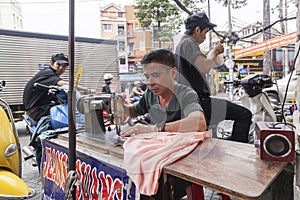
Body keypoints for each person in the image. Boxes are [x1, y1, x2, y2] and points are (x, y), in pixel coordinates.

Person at [121, 48, 207, 199]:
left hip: (180, 166)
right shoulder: (150, 95)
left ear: (173, 73)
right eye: (146, 77)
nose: (149, 83)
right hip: (158, 159)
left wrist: (154, 129)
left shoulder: (185, 93)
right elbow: (134, 111)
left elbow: (199, 123)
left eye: (155, 76)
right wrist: (118, 106)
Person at [175, 12, 252, 143]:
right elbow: (204, 67)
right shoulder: (189, 42)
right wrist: (215, 52)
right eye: (205, 33)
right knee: (244, 114)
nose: (205, 37)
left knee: (212, 135)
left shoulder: (181, 45)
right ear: (197, 30)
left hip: (192, 102)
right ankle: (239, 150)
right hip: (199, 101)